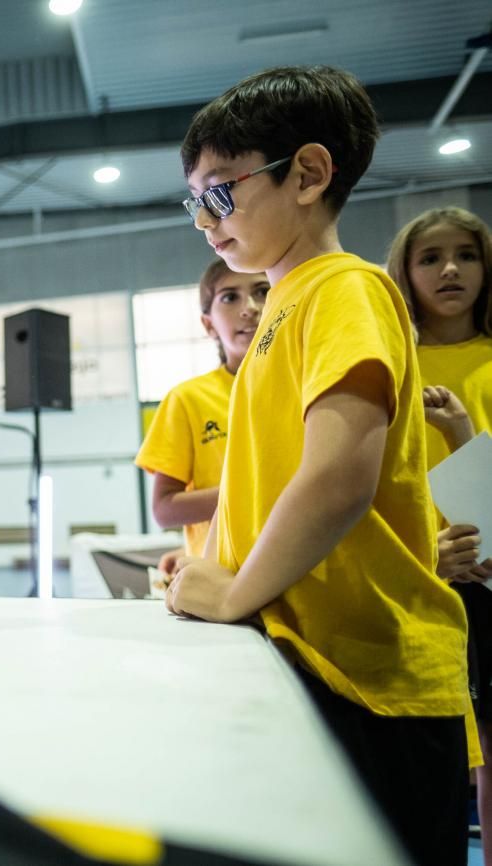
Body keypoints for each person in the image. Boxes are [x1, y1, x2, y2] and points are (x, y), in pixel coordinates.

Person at [164, 66, 472, 865]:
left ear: (307, 174)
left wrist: (233, 587)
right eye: (193, 201)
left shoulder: (345, 290)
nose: (204, 220)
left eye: (220, 193)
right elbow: (274, 477)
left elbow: (338, 478)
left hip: (373, 683)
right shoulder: (286, 308)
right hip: (314, 663)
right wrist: (219, 557)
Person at [387, 205, 492, 859]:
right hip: (418, 580)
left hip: (487, 575)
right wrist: (423, 557)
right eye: (430, 257)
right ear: (405, 271)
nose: (450, 268)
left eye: (466, 254)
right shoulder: (389, 364)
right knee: (444, 758)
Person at [135, 260, 268, 573]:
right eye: (229, 297)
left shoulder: (306, 385)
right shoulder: (188, 399)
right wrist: (255, 493)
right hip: (221, 577)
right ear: (209, 325)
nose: (249, 307)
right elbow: (164, 509)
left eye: (262, 291)